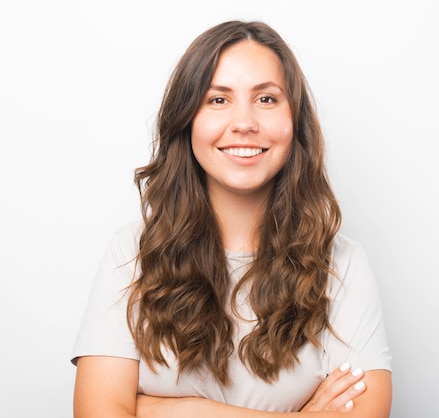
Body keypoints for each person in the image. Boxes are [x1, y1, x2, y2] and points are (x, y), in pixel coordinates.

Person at [72, 20, 392, 418]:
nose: (244, 123)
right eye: (218, 100)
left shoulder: (342, 264)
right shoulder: (132, 252)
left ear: (296, 122)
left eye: (267, 99)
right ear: (186, 120)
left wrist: (173, 410)